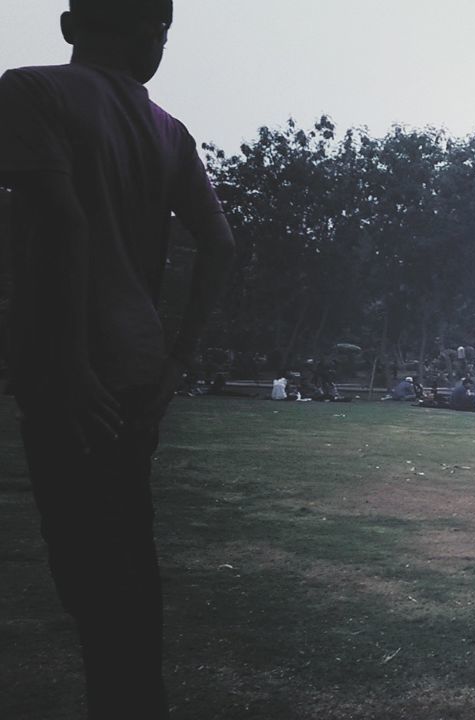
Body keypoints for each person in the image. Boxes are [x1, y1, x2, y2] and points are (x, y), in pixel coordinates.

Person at [0, 2, 236, 715]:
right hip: (135, 370)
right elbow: (219, 246)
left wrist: (69, 363)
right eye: (159, 32)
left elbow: (64, 221)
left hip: (69, 372)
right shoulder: (168, 130)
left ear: (71, 27)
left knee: (86, 569)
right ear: (146, 36)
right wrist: (171, 368)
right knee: (127, 559)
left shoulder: (30, 91)